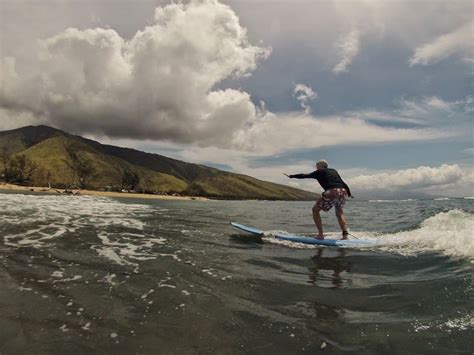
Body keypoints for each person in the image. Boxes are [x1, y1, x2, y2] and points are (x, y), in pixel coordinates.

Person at [284, 160, 352, 240]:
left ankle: (320, 235)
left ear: (319, 166)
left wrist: (291, 176)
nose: (316, 168)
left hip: (332, 191)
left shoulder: (319, 171)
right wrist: (349, 193)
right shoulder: (333, 170)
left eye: (317, 166)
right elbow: (343, 182)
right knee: (339, 213)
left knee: (315, 210)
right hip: (343, 191)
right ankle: (345, 235)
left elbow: (304, 175)